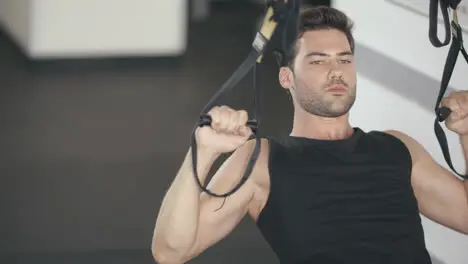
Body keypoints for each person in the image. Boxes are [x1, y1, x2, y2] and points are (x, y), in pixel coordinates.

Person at [151, 6, 468, 264]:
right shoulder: (261, 160)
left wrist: (467, 133)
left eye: (344, 59)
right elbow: (170, 251)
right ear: (286, 77)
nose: (336, 72)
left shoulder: (397, 147)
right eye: (318, 61)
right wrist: (202, 152)